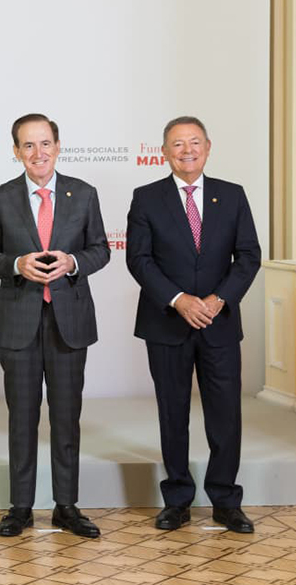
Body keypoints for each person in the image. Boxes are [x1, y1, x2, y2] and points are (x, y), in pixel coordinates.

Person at [0, 113, 110, 538]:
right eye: (28, 146)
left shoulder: (83, 194)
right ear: (16, 151)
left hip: (69, 321)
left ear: (57, 145)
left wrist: (73, 263)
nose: (38, 153)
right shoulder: (0, 198)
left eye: (45, 143)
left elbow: (101, 250)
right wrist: (17, 264)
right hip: (19, 322)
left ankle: (66, 506)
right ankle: (20, 507)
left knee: (67, 419)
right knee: (22, 418)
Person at [126, 116, 261, 533]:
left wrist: (217, 301)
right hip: (167, 321)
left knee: (225, 414)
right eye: (177, 144)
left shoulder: (232, 195)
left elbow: (249, 256)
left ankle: (225, 499)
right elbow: (139, 259)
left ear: (208, 146)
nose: (187, 150)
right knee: (172, 412)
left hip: (218, 324)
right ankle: (178, 499)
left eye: (194, 142)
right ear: (164, 152)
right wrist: (180, 299)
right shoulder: (146, 197)